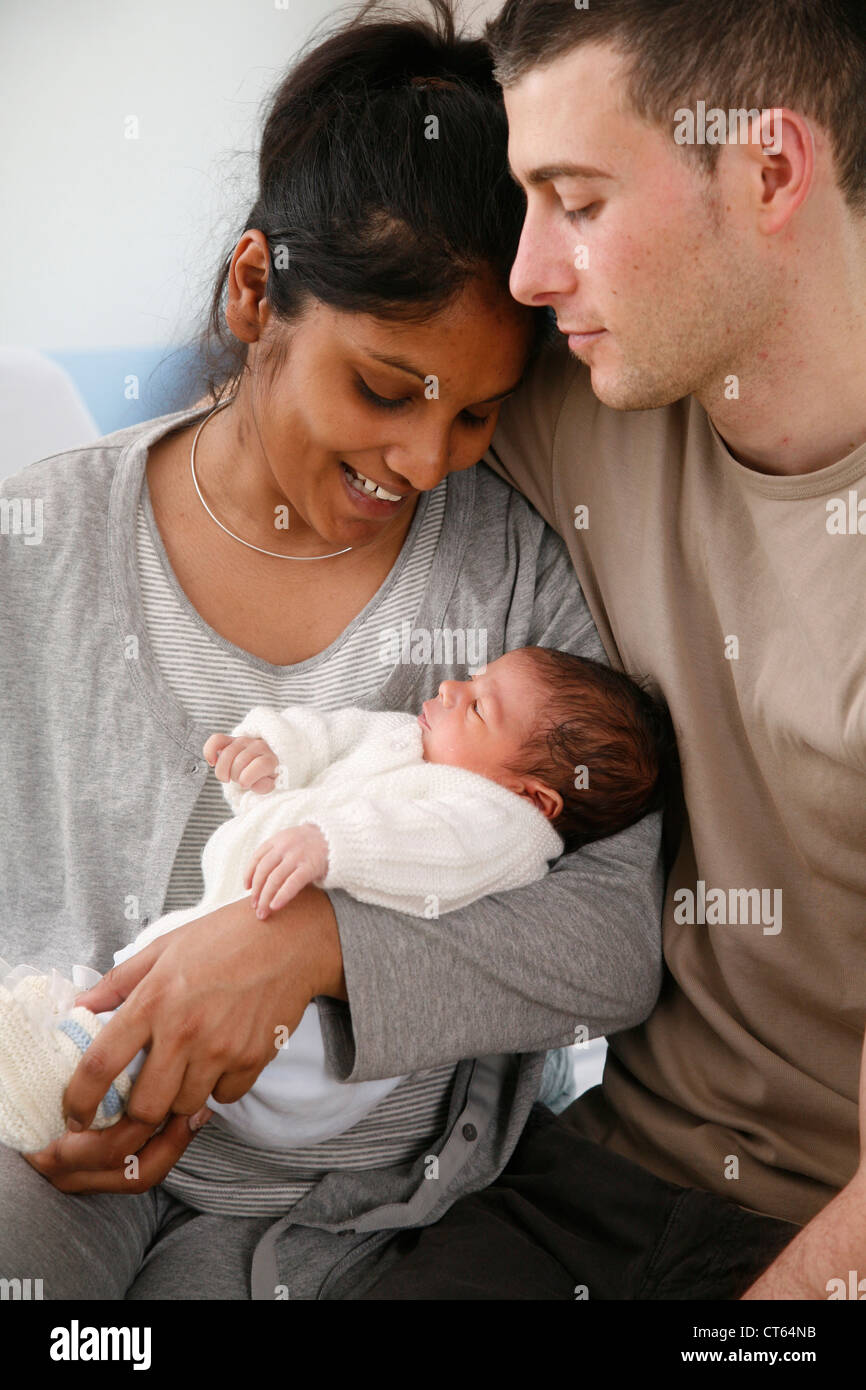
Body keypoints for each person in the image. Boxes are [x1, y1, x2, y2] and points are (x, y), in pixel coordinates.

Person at [0, 1, 663, 1299]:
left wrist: (313, 943)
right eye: (382, 387)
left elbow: (611, 934)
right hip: (48, 1136)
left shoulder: (506, 566)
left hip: (346, 1213)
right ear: (256, 292)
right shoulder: (43, 540)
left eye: (475, 413)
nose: (423, 463)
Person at [353, 0, 866, 1300]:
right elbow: (279, 418)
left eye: (573, 201)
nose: (527, 272)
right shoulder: (594, 385)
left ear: (766, 172)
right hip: (603, 1165)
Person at [0, 646, 670, 1156]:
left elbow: (433, 844)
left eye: (477, 706)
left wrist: (333, 843)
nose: (450, 686)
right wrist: (272, 755)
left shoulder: (502, 825)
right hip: (238, 936)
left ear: (535, 795)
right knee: (160, 954)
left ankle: (81, 1072)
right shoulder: (407, 742)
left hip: (320, 1039)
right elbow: (330, 734)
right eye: (472, 678)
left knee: (215, 1000)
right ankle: (72, 1014)